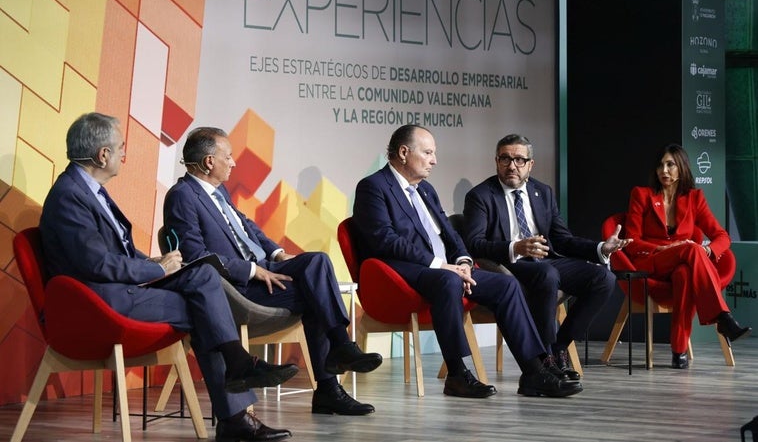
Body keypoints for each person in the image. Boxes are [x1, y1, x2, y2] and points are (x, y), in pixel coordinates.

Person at [39, 113, 297, 442]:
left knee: (203, 277)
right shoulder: (69, 197)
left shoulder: (88, 190)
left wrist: (156, 261)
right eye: (120, 148)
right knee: (206, 309)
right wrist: (157, 270)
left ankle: (237, 377)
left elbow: (119, 253)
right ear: (103, 154)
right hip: (99, 302)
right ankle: (236, 407)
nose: (124, 154)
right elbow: (97, 264)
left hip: (119, 287)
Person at [163, 127, 382, 418]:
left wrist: (276, 252)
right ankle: (331, 383)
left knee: (316, 262)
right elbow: (196, 257)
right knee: (316, 295)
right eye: (228, 157)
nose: (233, 163)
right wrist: (252, 270)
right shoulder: (182, 196)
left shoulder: (219, 192)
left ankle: (340, 350)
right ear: (208, 162)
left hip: (266, 268)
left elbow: (245, 228)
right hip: (236, 288)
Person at [351, 124, 583, 398]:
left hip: (445, 268)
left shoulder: (425, 189)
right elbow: (384, 240)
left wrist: (462, 260)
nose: (434, 160)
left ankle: (533, 371)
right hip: (402, 272)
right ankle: (457, 373)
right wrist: (439, 264)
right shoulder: (373, 187)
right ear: (404, 152)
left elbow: (450, 234)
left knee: (505, 287)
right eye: (428, 153)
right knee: (447, 280)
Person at [462, 134, 627, 379]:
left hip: (546, 260)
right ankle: (544, 356)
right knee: (547, 274)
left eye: (519, 160)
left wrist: (600, 249)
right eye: (505, 159)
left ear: (531, 164)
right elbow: (473, 243)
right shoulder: (481, 195)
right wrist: (515, 248)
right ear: (496, 161)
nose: (512, 166)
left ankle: (558, 347)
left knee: (603, 278)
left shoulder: (543, 192)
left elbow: (562, 239)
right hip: (510, 264)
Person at [624, 143, 751, 369]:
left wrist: (709, 249)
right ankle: (723, 318)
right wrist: (662, 249)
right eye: (660, 165)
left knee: (685, 273)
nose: (664, 170)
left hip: (682, 263)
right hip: (653, 261)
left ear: (681, 168)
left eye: (670, 165)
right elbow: (631, 240)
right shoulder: (641, 195)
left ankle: (679, 351)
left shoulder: (694, 198)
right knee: (692, 248)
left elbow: (722, 236)